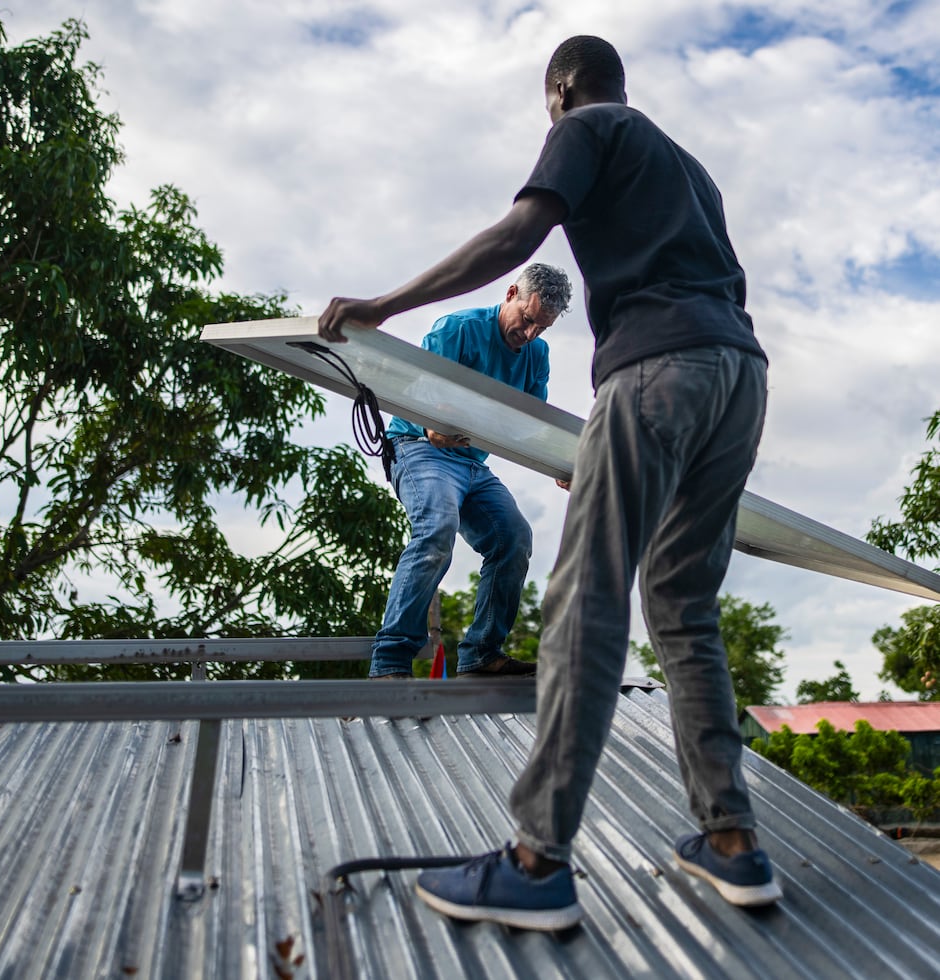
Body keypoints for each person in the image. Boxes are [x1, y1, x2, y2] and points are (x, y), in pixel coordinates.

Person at [319, 35, 780, 928]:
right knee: (684, 605)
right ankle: (733, 843)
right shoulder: (689, 168)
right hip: (740, 378)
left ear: (559, 90)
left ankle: (536, 861)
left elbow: (517, 234)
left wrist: (382, 305)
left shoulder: (590, 126)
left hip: (656, 366)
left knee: (585, 598)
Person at [369, 263, 572, 680]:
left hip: (471, 463)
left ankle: (482, 654)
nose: (530, 334)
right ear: (512, 293)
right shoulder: (457, 329)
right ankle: (390, 661)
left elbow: (532, 424)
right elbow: (419, 388)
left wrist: (562, 464)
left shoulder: (537, 355)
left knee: (514, 537)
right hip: (419, 448)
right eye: (528, 320)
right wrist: (431, 423)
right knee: (438, 526)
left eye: (542, 327)